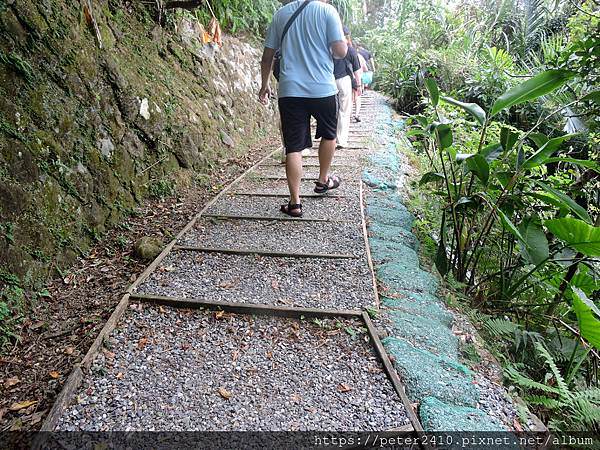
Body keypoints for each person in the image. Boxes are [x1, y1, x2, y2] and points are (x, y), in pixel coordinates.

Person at [259, 0, 347, 218]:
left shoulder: (281, 14)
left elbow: (267, 57)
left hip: (290, 90)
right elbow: (340, 51)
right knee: (329, 135)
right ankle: (322, 180)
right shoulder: (328, 11)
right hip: (323, 88)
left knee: (294, 146)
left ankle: (295, 203)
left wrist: (264, 86)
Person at [333, 26, 361, 149]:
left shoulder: (329, 48)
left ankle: (330, 138)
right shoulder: (350, 50)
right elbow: (357, 71)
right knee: (344, 111)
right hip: (344, 81)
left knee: (331, 111)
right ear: (347, 36)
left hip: (328, 81)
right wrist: (358, 86)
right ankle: (341, 140)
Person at [353, 50, 368, 122]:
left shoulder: (345, 54)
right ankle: (356, 114)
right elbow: (365, 69)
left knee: (350, 98)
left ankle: (347, 115)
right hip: (358, 79)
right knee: (357, 97)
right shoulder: (360, 57)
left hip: (347, 78)